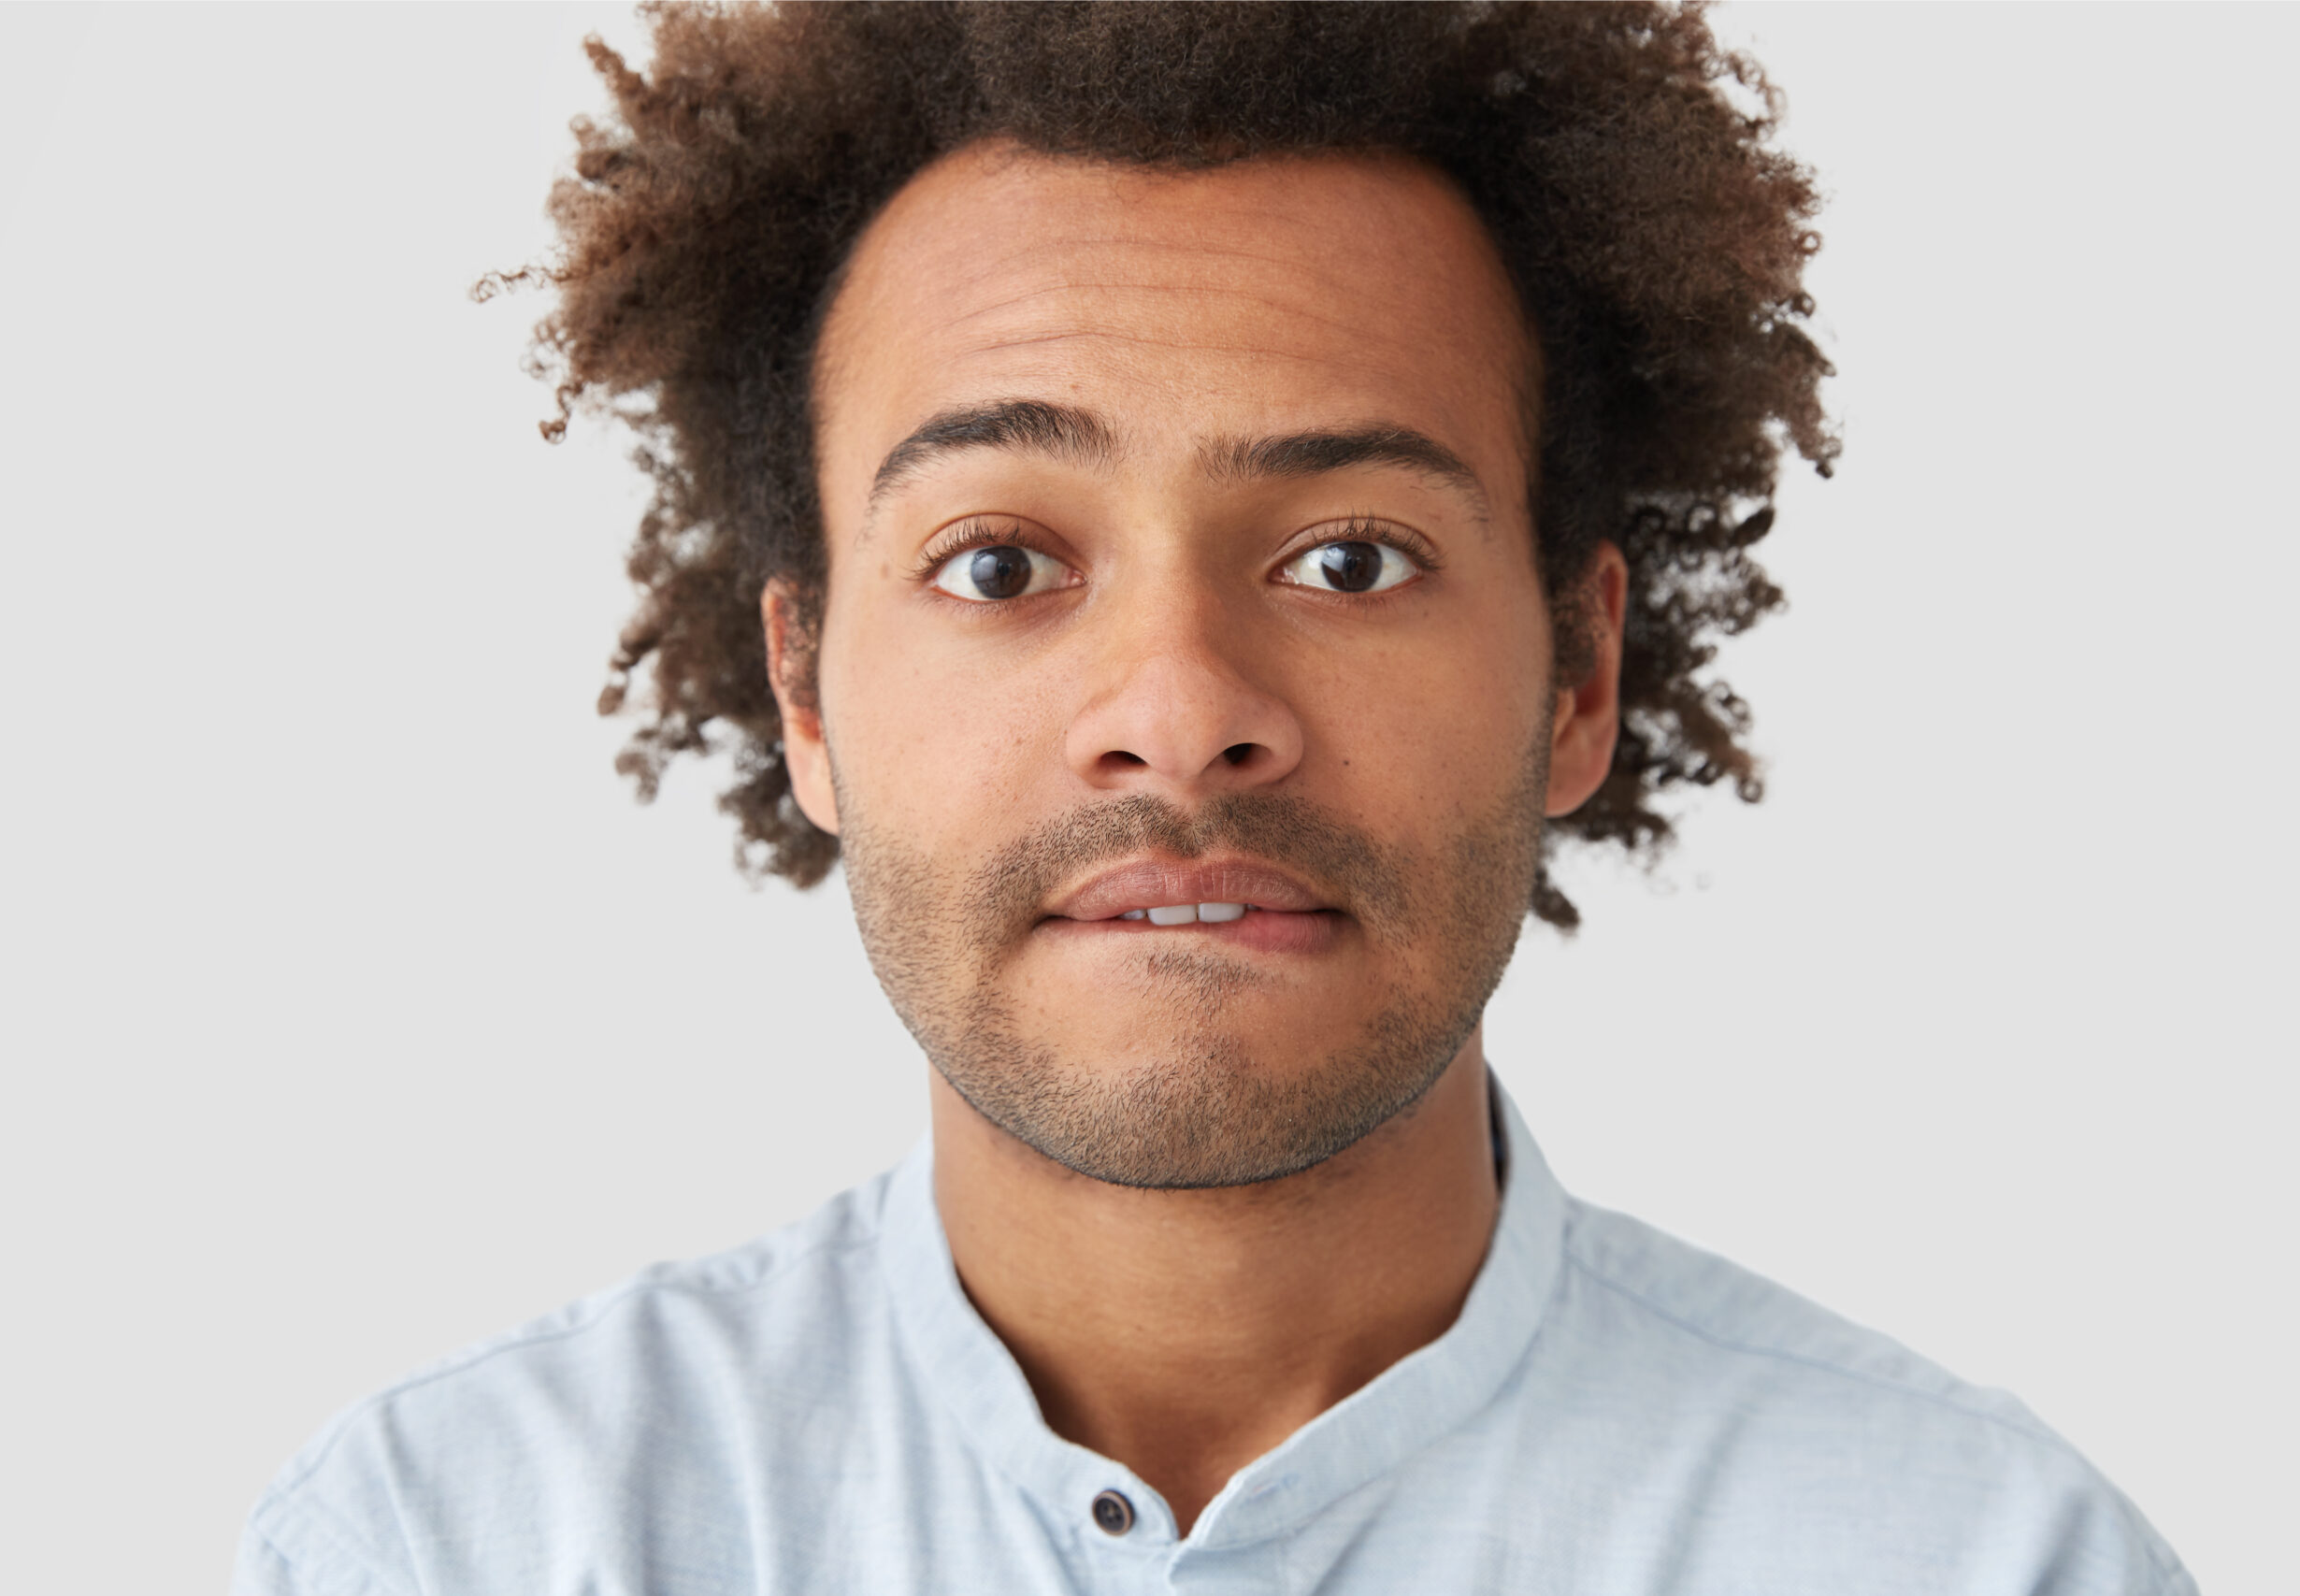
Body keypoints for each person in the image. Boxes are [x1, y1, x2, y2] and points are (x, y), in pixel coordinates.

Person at [234, 5, 2195, 1591]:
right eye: (1002, 562)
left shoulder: (1980, 1560)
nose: (1180, 718)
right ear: (804, 691)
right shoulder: (448, 1543)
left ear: (1577, 678)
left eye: (1349, 557)